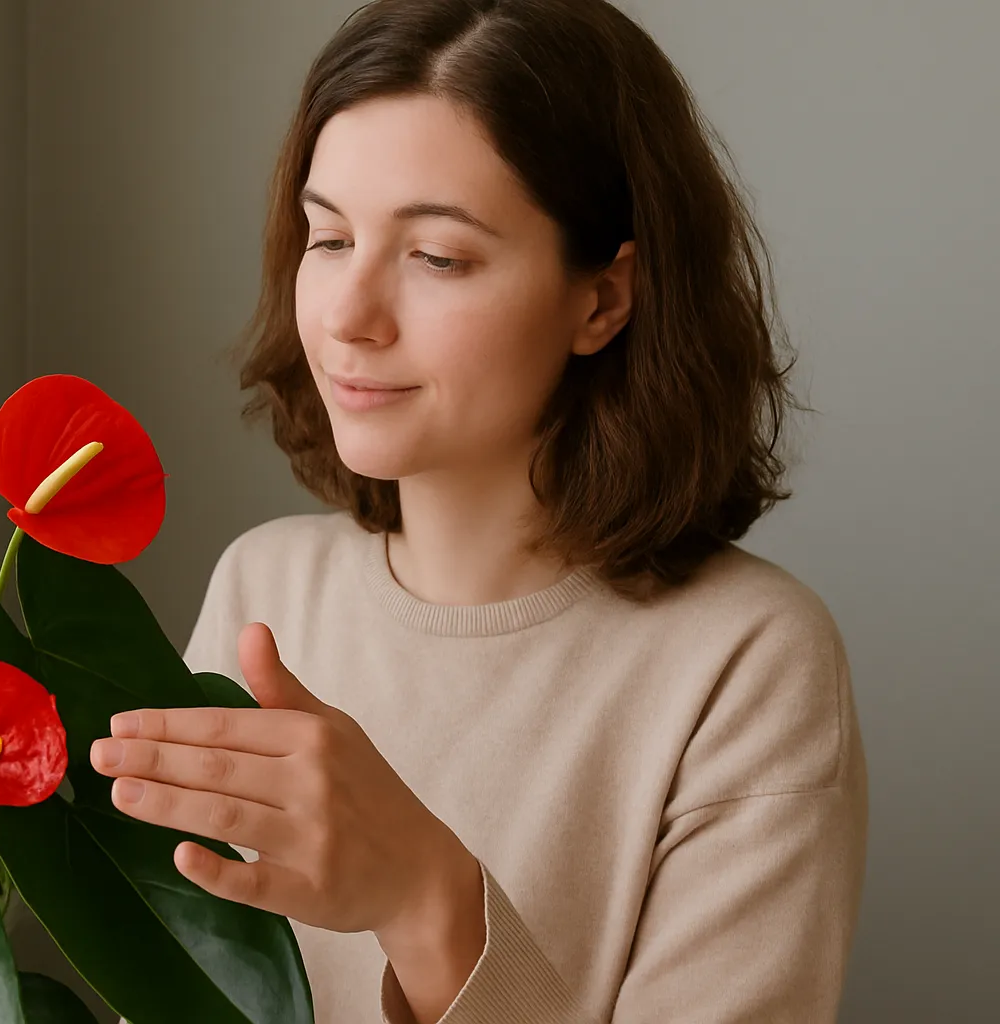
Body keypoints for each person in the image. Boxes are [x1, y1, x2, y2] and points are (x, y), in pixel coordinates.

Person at [88, 0, 868, 1021]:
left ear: (603, 300)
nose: (349, 318)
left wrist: (427, 900)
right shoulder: (264, 587)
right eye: (328, 237)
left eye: (437, 257)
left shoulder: (747, 662)